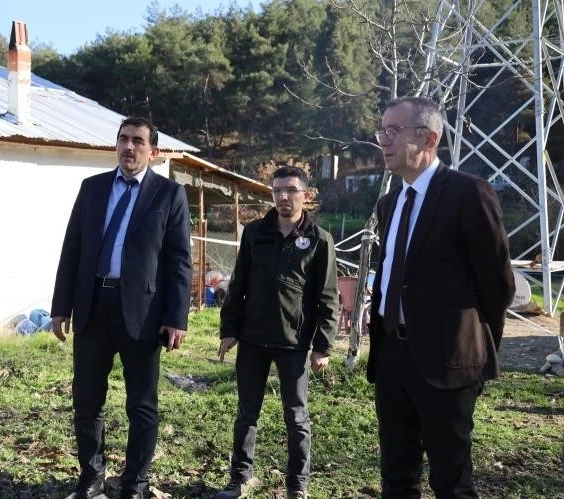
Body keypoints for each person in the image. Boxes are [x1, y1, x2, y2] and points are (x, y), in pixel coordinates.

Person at [368, 96, 514, 498]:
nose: (383, 140)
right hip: (391, 356)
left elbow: (498, 285)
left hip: (447, 362)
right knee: (397, 475)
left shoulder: (469, 194)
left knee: (452, 482)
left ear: (429, 138)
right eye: (381, 131)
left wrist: (473, 349)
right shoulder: (390, 203)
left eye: (393, 130)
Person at [51, 116, 192, 499]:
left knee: (142, 404)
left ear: (153, 151)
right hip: (93, 305)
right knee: (87, 400)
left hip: (143, 313)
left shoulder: (169, 194)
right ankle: (91, 477)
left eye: (138, 141)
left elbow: (180, 260)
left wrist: (176, 317)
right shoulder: (92, 188)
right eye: (123, 139)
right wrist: (61, 306)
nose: (129, 147)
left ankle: (135, 484)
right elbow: (72, 248)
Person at [216, 166, 339, 499]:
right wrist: (229, 329)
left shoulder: (319, 240)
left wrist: (323, 346)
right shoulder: (255, 232)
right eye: (277, 190)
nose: (283, 196)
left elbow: (328, 297)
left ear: (306, 195)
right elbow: (238, 284)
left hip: (293, 344)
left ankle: (297, 486)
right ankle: (240, 479)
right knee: (246, 414)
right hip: (252, 339)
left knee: (297, 418)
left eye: (291, 190)